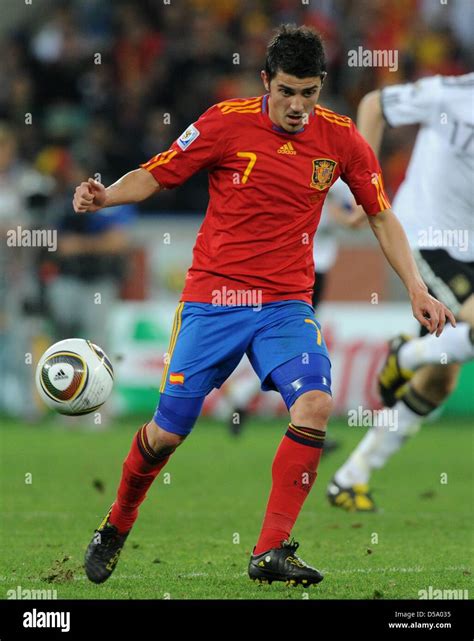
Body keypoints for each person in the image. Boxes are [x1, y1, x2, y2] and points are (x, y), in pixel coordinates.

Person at [73, 25, 454, 587]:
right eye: (286, 92)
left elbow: (380, 213)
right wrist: (107, 195)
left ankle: (270, 551)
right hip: (214, 298)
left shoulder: (342, 139)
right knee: (167, 433)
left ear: (321, 87)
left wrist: (418, 290)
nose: (298, 106)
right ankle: (116, 524)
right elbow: (157, 173)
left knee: (316, 405)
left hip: (284, 304)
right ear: (265, 83)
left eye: (309, 92)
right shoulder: (224, 122)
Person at [328, 73, 473, 512]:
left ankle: (352, 475)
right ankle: (407, 355)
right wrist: (360, 186)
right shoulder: (451, 94)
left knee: (441, 377)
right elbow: (374, 103)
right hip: (428, 235)